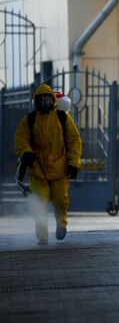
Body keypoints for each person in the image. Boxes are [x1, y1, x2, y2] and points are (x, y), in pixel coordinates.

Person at [14, 83, 82, 245]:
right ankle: (42, 236)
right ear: (35, 102)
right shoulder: (29, 121)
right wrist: (26, 152)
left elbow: (74, 141)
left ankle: (61, 225)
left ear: (53, 100)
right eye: (41, 99)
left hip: (60, 169)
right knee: (40, 204)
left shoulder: (63, 118)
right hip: (37, 170)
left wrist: (74, 163)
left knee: (60, 200)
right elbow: (20, 139)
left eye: (47, 99)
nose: (44, 102)